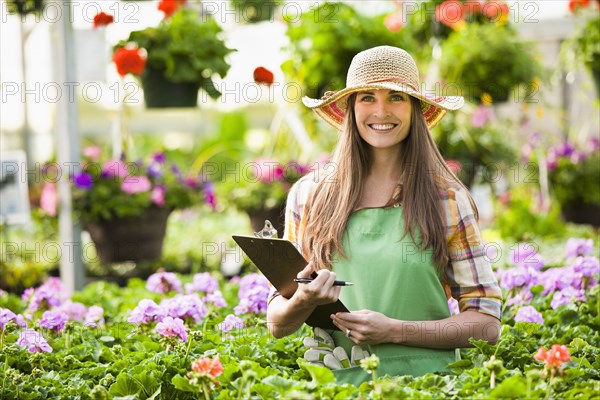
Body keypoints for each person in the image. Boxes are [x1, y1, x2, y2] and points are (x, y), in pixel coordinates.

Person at [266, 46, 502, 384]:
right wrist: (303, 299)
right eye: (366, 98)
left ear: (415, 109)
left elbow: (486, 323)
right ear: (350, 108)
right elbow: (277, 324)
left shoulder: (446, 199)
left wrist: (395, 330)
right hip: (336, 385)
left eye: (396, 97)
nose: (381, 110)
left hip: (429, 385)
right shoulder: (309, 195)